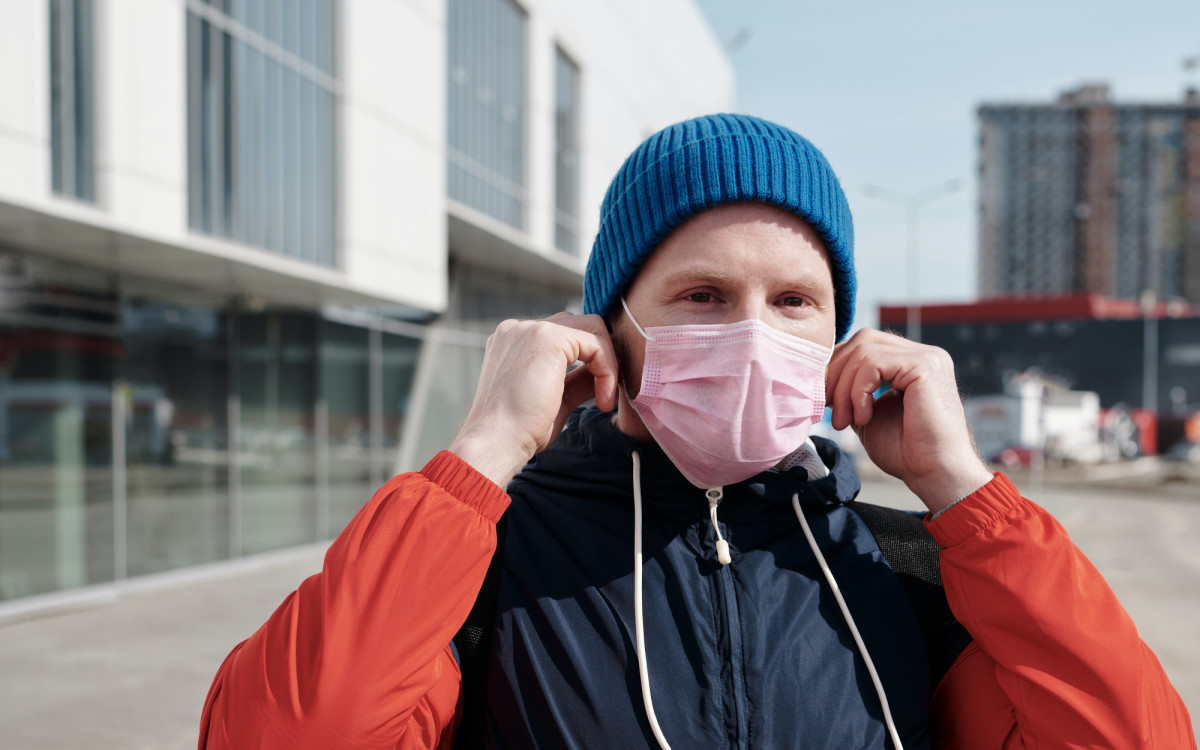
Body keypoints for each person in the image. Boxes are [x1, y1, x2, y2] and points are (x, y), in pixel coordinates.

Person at [198, 114, 1195, 749]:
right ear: (602, 326)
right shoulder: (485, 572)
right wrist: (480, 459)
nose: (752, 333)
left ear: (839, 335)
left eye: (795, 301)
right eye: (704, 294)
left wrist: (965, 495)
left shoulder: (904, 573)